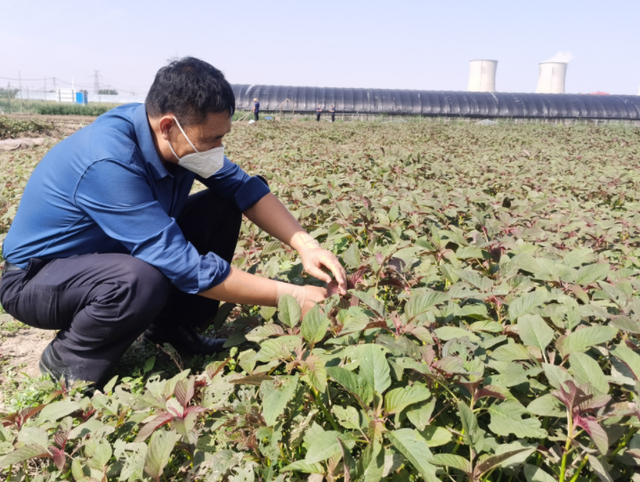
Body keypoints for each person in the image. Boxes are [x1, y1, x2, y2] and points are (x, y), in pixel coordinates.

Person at [0, 57, 347, 388]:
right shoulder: (107, 160)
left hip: (112, 255)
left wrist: (305, 244)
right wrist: (293, 296)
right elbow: (185, 266)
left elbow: (243, 189)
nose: (218, 147)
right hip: (37, 279)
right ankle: (67, 363)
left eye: (222, 136)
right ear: (168, 125)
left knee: (222, 204)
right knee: (140, 278)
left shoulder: (176, 140)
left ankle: (171, 327)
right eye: (212, 138)